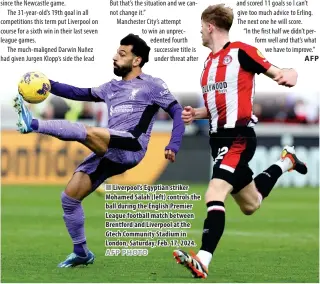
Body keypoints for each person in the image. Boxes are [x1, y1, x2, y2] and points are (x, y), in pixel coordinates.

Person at [14, 34, 185, 268]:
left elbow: (177, 111)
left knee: (87, 131)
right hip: (111, 150)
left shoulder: (153, 84)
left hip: (131, 145)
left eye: (122, 54)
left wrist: (173, 144)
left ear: (137, 60)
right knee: (70, 198)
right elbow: (78, 93)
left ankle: (32, 125)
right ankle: (81, 252)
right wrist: (48, 84)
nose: (115, 57)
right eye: (117, 52)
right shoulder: (111, 87)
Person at [172, 4, 307, 279]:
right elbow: (219, 105)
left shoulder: (241, 51)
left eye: (200, 26)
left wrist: (288, 74)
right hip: (217, 140)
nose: (199, 31)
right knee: (251, 204)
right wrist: (197, 113)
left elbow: (274, 70)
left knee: (214, 193)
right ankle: (286, 162)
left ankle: (203, 258)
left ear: (210, 26)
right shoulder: (207, 65)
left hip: (238, 137)